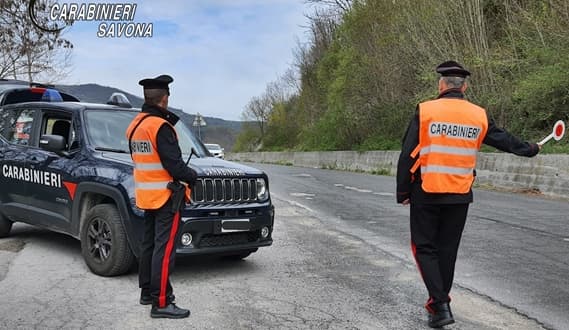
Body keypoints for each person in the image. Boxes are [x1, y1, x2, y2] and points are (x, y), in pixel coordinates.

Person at [396, 61, 541, 328]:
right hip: (460, 194)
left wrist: (403, 190)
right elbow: (504, 139)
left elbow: (408, 153)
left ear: (441, 85)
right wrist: (529, 148)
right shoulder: (478, 115)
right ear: (464, 86)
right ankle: (438, 303)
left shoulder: (426, 111)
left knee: (425, 247)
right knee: (447, 250)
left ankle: (440, 305)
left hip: (427, 191)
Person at [126, 74, 197, 319]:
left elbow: (143, 161)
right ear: (164, 99)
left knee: (149, 245)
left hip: (146, 196)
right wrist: (193, 176)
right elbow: (176, 167)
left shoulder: (135, 126)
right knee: (165, 250)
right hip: (167, 197)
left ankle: (147, 292)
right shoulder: (160, 127)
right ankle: (162, 302)